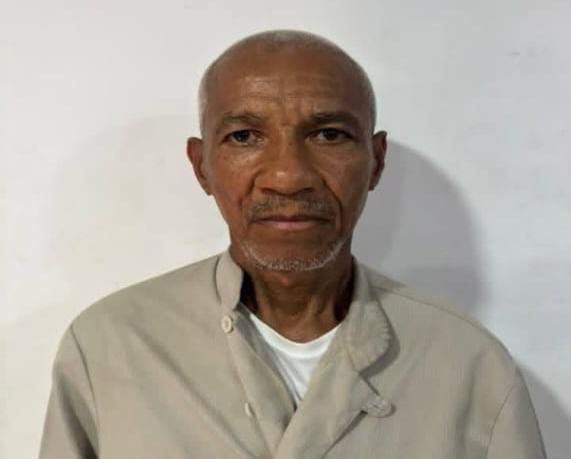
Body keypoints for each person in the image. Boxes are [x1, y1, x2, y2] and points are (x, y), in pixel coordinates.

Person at [39, 30, 546, 459]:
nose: (288, 176)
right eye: (244, 137)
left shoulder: (466, 364)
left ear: (376, 161)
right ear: (201, 166)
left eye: (329, 135)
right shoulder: (112, 347)